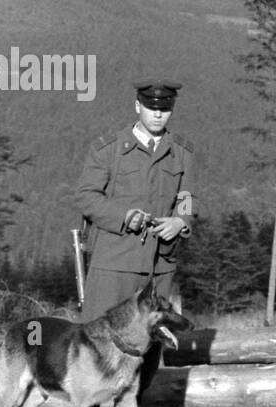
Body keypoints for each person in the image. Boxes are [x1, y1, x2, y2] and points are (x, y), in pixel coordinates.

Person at [75, 80, 196, 321]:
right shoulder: (108, 150)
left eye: (164, 109)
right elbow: (86, 197)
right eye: (151, 108)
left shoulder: (182, 152)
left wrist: (181, 222)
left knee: (151, 344)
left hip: (160, 265)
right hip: (114, 263)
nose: (158, 114)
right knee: (101, 341)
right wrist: (125, 217)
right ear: (137, 106)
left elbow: (187, 197)